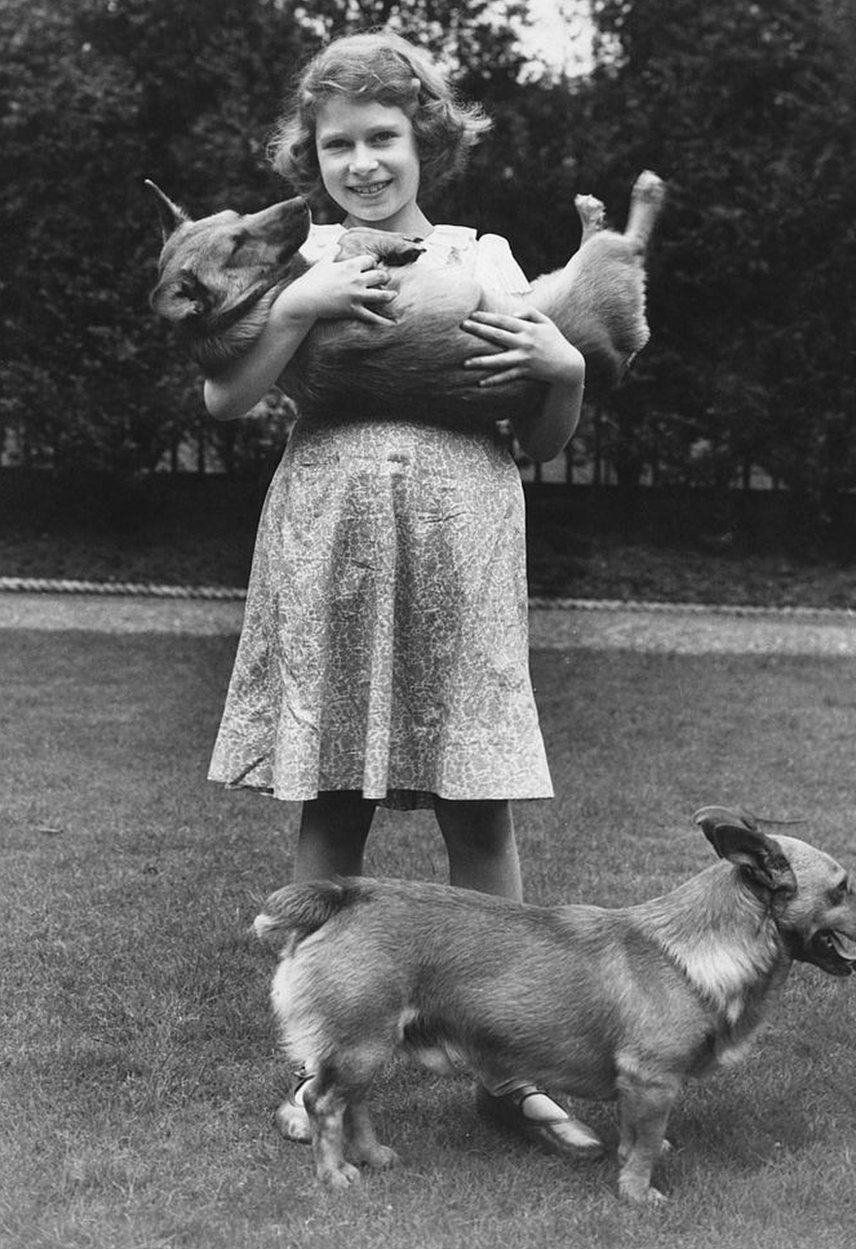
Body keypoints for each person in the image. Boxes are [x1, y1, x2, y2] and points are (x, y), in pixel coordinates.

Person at [204, 30, 603, 1162]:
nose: (364, 162)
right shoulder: (288, 258)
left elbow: (537, 437)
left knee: (479, 802)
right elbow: (225, 396)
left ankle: (510, 1068)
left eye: (384, 137)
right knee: (334, 796)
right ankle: (313, 1072)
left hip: (463, 532)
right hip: (330, 532)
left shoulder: (485, 258)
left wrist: (564, 374)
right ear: (311, 153)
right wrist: (294, 307)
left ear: (425, 141)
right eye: (340, 144)